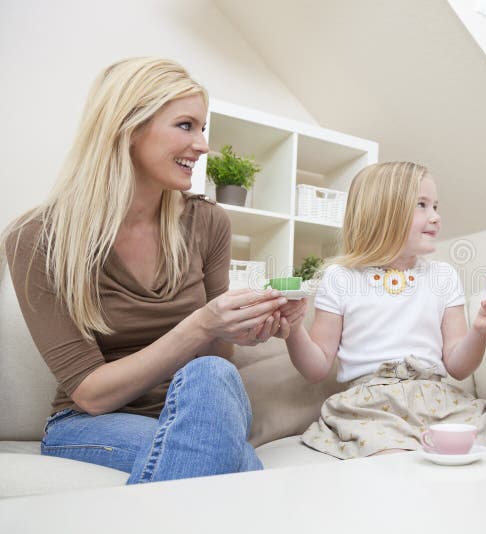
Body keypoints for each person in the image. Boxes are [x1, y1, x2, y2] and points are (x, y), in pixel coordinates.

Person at [2, 57, 302, 483]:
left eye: (203, 129)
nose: (202, 146)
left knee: (212, 373)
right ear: (128, 128)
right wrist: (200, 325)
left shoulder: (207, 223)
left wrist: (239, 328)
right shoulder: (37, 238)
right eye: (186, 125)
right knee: (238, 465)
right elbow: (89, 394)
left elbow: (216, 361)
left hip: (197, 407)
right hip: (88, 421)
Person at [280, 162, 486, 458]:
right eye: (422, 205)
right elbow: (316, 367)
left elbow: (458, 367)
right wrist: (292, 328)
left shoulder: (444, 276)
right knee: (393, 460)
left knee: (479, 450)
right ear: (385, 213)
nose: (436, 217)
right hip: (371, 405)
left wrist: (480, 331)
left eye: (435, 205)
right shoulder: (341, 277)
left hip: (437, 401)